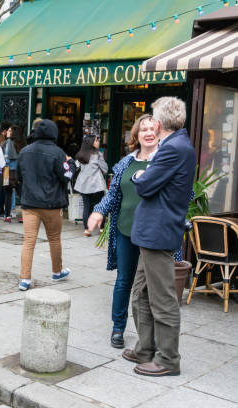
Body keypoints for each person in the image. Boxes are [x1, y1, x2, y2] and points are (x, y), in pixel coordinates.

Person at [117, 97, 195, 377]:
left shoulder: (173, 148)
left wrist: (140, 177)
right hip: (152, 232)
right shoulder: (176, 145)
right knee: (141, 293)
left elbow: (146, 185)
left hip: (158, 232)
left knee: (161, 300)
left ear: (159, 123)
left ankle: (168, 359)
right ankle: (145, 349)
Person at [87, 114, 159, 349]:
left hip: (153, 235)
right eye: (143, 129)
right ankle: (118, 328)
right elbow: (112, 195)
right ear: (136, 135)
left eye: (153, 129)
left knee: (152, 286)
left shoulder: (167, 161)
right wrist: (98, 211)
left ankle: (149, 335)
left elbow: (183, 195)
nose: (148, 133)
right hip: (125, 229)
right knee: (123, 281)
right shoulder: (126, 163)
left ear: (160, 133)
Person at [17, 119, 75, 291]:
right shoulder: (58, 153)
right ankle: (57, 271)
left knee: (28, 242)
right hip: (52, 204)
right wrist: (71, 162)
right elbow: (67, 176)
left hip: (29, 204)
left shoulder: (24, 151)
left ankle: (24, 279)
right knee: (54, 239)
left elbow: (19, 176)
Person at [74, 135, 108, 236]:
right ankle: (101, 228)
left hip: (83, 185)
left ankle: (87, 230)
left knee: (86, 207)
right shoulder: (98, 155)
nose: (98, 142)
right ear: (91, 142)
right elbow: (105, 169)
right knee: (100, 206)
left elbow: (75, 166)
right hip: (96, 185)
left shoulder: (81, 155)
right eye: (96, 140)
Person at [2, 126, 25, 222]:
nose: (7, 131)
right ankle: (24, 216)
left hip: (7, 171)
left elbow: (6, 158)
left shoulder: (7, 143)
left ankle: (7, 216)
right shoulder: (21, 144)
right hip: (18, 171)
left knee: (8, 194)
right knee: (22, 194)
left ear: (13, 133)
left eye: (10, 130)